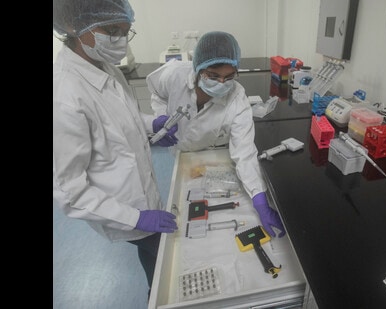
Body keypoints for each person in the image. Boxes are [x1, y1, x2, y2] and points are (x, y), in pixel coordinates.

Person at [53, 0, 180, 294]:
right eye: (112, 30)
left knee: (154, 257)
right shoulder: (64, 97)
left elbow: (125, 116)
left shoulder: (105, 67)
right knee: (163, 264)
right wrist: (136, 217)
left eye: (126, 31)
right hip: (120, 209)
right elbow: (70, 192)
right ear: (74, 26)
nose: (120, 40)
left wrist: (152, 124)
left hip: (143, 195)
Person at [146, 31, 286, 238]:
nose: (221, 83)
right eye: (213, 76)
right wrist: (160, 118)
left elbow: (244, 152)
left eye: (229, 77)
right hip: (180, 151)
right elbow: (156, 93)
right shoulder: (174, 75)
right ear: (198, 68)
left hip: (213, 152)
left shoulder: (237, 98)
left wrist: (260, 200)